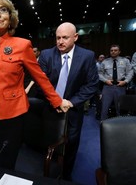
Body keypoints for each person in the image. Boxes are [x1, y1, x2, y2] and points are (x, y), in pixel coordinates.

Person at [0, 0, 72, 170]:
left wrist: (56, 100)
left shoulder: (23, 45)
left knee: (3, 165)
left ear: (10, 17)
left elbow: (39, 76)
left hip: (11, 118)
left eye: (3, 10)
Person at [38, 22, 99, 180]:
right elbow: (41, 82)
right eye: (58, 38)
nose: (60, 41)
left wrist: (70, 102)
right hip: (50, 108)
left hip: (73, 109)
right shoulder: (46, 55)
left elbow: (91, 84)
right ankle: (46, 175)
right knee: (48, 143)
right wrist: (55, 101)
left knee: (71, 145)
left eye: (65, 37)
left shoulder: (87, 56)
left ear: (75, 37)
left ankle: (66, 176)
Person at [98, 44, 133, 120]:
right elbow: (99, 73)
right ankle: (103, 125)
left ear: (119, 51)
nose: (113, 52)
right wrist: (105, 80)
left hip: (120, 86)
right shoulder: (105, 62)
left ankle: (120, 126)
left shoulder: (125, 61)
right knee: (104, 108)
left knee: (120, 108)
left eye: (115, 50)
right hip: (107, 87)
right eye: (111, 50)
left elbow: (130, 72)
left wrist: (125, 81)